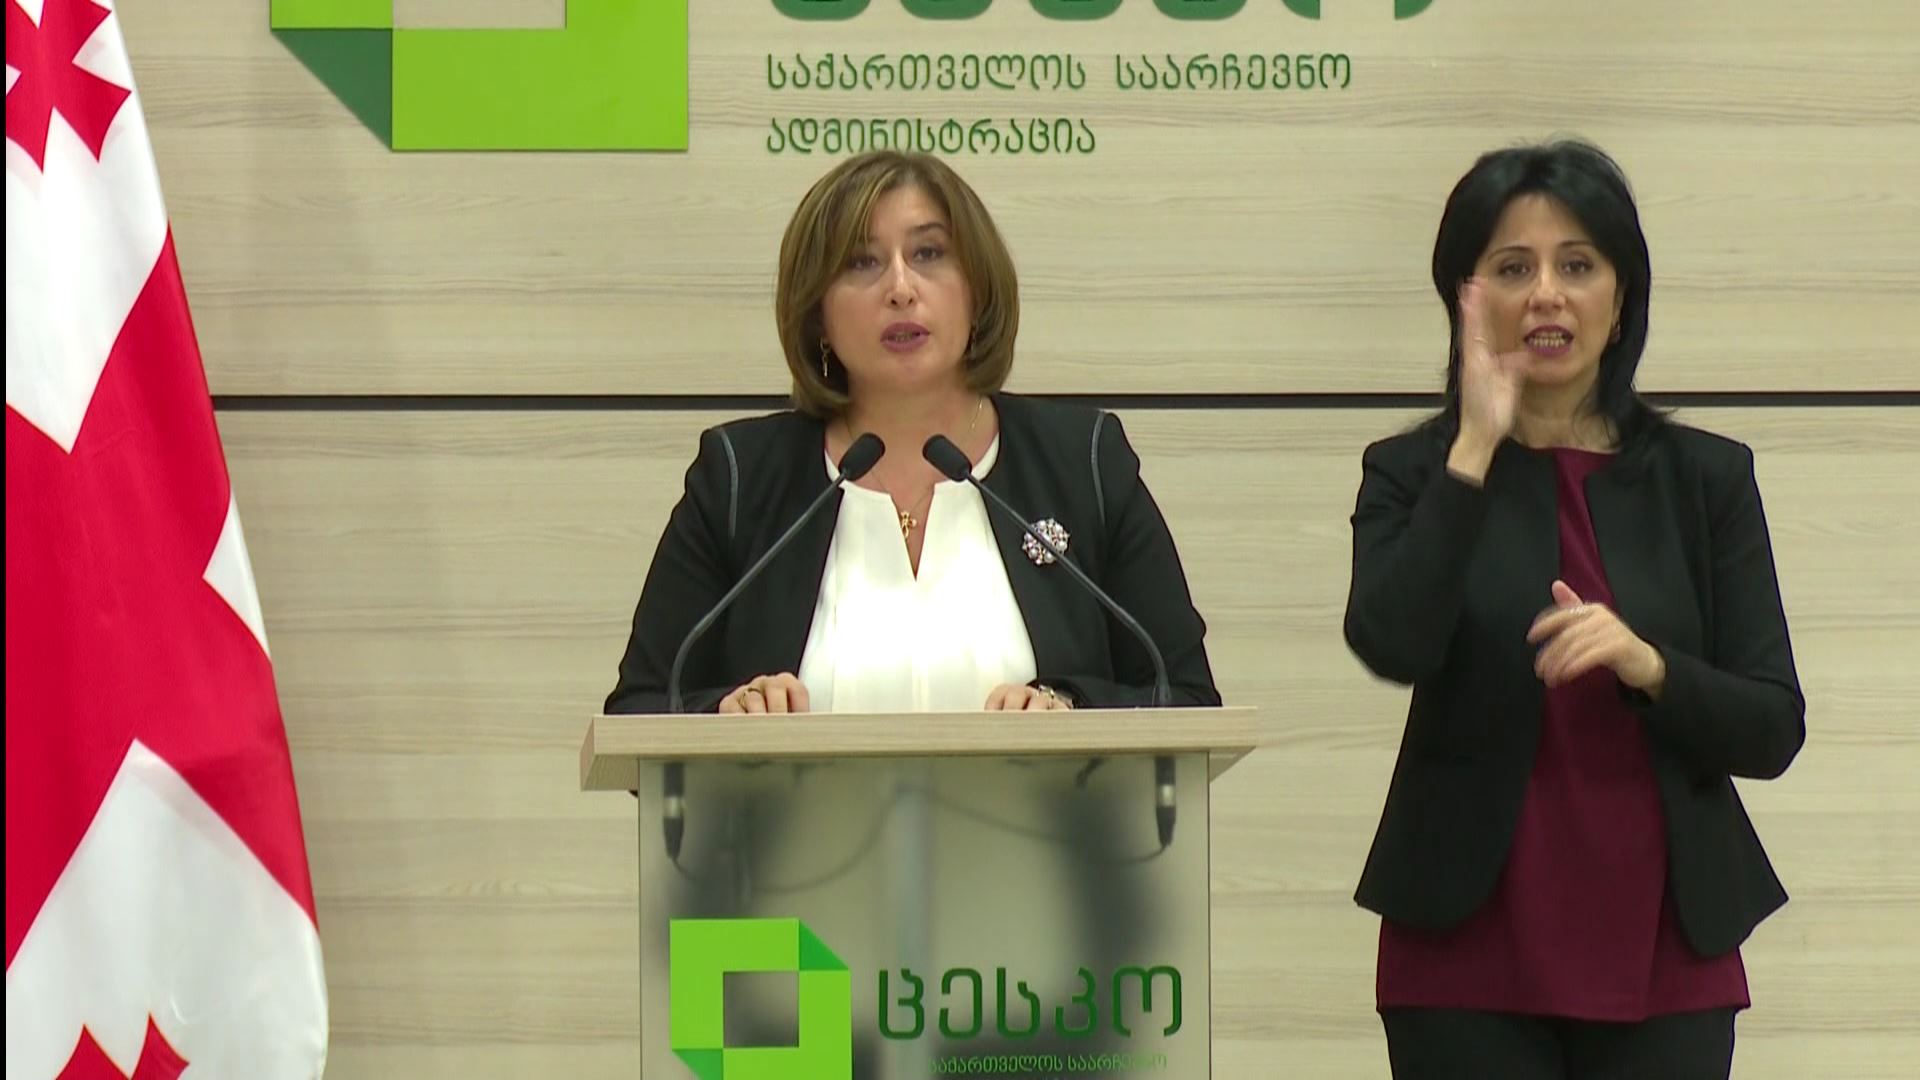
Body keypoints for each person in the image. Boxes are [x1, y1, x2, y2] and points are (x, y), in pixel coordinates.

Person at [1341, 139, 1806, 1079]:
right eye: (1514, 269)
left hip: (1663, 939)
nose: (1547, 295)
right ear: (1467, 298)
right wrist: (1474, 449)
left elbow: (1771, 728)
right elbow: (1393, 641)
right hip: (1466, 943)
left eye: (1578, 266)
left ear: (1621, 298)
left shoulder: (1706, 478)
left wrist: (1650, 666)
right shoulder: (1414, 472)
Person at [606, 147, 1219, 718]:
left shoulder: (1082, 462)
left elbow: (1185, 696)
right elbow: (641, 707)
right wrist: (727, 713)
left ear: (977, 289)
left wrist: (1068, 707)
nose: (900, 289)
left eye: (928, 254)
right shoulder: (739, 479)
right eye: (861, 263)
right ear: (818, 314)